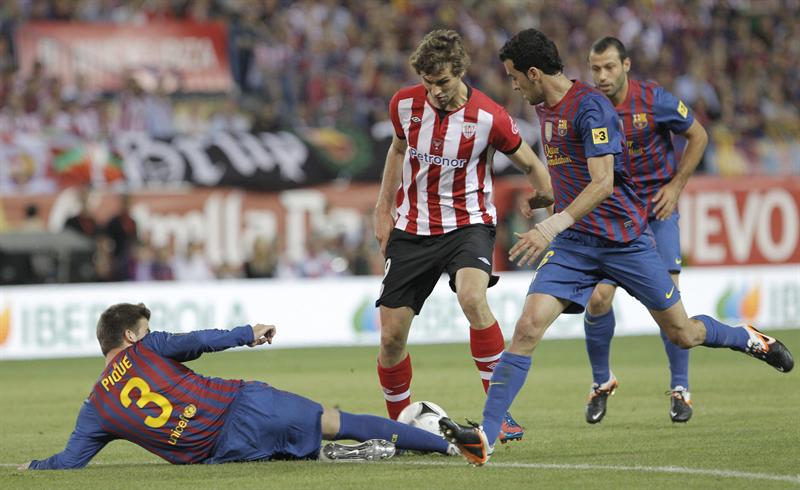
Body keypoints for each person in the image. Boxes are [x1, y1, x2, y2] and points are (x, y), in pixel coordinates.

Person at [439, 28, 794, 466]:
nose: (512, 85)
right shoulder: (544, 108)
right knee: (527, 328)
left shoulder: (591, 108)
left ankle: (748, 338)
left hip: (625, 240)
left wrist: (551, 225)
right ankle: (486, 437)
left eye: (514, 76)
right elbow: (572, 172)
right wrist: (549, 197)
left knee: (682, 333)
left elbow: (604, 182)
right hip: (575, 246)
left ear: (533, 73)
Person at [373, 29, 553, 443]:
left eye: (443, 82)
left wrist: (543, 196)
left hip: (468, 225)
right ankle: (403, 426)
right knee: (391, 337)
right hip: (412, 228)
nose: (435, 91)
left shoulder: (489, 117)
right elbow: (398, 150)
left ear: (460, 72)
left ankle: (499, 415)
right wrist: (383, 208)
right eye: (428, 83)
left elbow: (531, 164)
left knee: (473, 298)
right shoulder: (403, 104)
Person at [19, 303, 457, 470]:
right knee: (337, 421)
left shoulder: (96, 406)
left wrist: (32, 468)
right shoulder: (148, 347)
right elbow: (199, 341)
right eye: (146, 329)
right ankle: (448, 445)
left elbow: (68, 462)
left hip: (220, 454)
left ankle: (326, 453)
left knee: (295, 453)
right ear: (131, 336)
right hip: (244, 406)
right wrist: (248, 332)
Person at [582, 37, 709, 424]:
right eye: (595, 69)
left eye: (609, 67)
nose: (602, 76)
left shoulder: (654, 100)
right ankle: (601, 382)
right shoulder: (589, 106)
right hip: (615, 214)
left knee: (669, 302)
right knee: (598, 299)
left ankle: (680, 389)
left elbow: (699, 135)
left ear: (626, 65)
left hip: (656, 210)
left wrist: (676, 186)